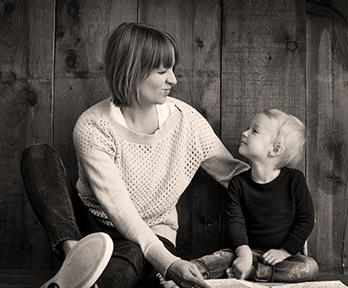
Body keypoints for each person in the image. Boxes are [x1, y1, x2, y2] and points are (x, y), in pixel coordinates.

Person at [20, 22, 249, 288]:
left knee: (131, 252)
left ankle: (80, 281)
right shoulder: (93, 126)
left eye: (172, 69)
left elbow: (235, 175)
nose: (173, 80)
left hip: (152, 236)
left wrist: (289, 194)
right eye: (163, 71)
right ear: (132, 72)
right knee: (37, 156)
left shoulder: (188, 122)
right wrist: (171, 265)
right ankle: (76, 258)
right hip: (90, 229)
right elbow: (118, 207)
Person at [225, 109, 319, 282]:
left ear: (275, 149)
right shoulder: (238, 183)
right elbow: (235, 222)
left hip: (282, 257)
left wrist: (284, 252)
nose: (244, 133)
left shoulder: (294, 180)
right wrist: (243, 253)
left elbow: (306, 219)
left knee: (309, 267)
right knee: (219, 258)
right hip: (247, 252)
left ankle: (256, 273)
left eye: (255, 131)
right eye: (249, 128)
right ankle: (183, 273)